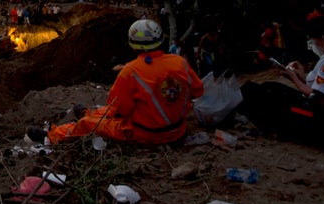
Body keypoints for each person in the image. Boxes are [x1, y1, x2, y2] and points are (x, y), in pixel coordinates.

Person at [26, 19, 203, 145]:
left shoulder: (131, 71)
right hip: (177, 129)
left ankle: (52, 136)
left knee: (90, 123)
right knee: (103, 111)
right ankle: (89, 112)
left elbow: (120, 109)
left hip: (146, 133)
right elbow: (197, 91)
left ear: (133, 44)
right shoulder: (180, 62)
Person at [237, 15, 324, 151]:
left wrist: (294, 78)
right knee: (271, 88)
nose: (311, 45)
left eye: (312, 40)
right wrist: (300, 76)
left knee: (263, 96)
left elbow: (319, 99)